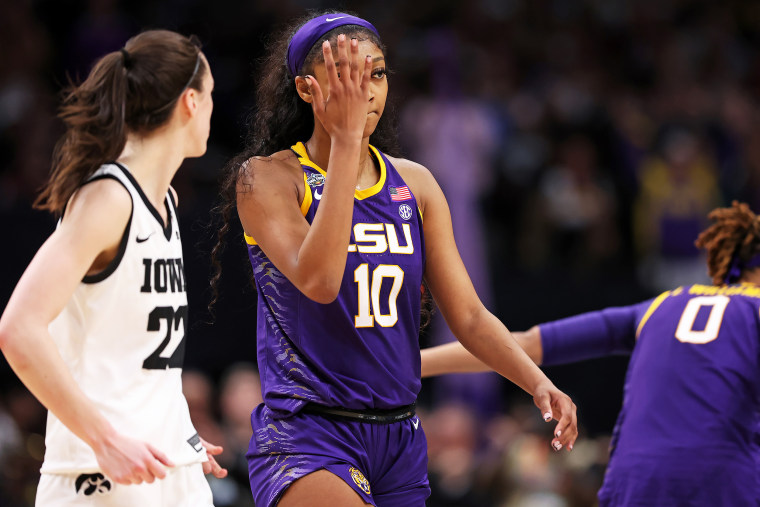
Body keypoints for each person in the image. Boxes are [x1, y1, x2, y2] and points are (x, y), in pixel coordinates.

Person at [211, 12, 577, 507]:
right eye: (346, 75)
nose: (365, 90)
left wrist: (537, 384)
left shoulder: (416, 184)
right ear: (306, 88)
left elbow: (468, 315)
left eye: (376, 73)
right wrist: (344, 143)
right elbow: (318, 280)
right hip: (310, 431)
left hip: (399, 433)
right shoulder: (268, 178)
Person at [0, 29, 227, 505]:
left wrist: (177, 432)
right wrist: (104, 438)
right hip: (97, 474)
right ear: (189, 102)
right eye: (209, 95)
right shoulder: (107, 198)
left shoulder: (163, 200)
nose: (212, 108)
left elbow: (139, 359)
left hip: (165, 465)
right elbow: (18, 328)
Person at [420, 200, 760, 506]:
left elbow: (517, 345)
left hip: (635, 482)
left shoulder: (657, 307)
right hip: (723, 478)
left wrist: (411, 364)